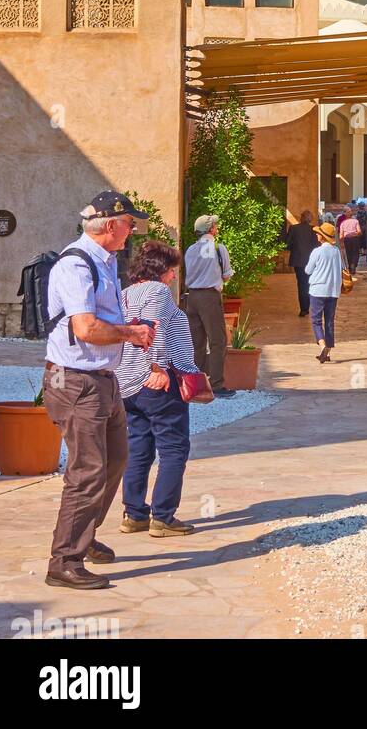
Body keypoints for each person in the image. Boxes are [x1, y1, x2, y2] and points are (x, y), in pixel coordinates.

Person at [42, 191, 157, 591]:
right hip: (74, 381)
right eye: (129, 224)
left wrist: (130, 327)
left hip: (100, 379)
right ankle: (64, 562)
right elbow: (86, 329)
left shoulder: (104, 262)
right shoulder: (76, 265)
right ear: (111, 225)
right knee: (87, 470)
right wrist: (131, 332)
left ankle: (84, 536)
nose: (132, 231)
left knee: (114, 462)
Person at [116, 240, 200, 538]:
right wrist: (158, 367)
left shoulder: (124, 294)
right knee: (174, 448)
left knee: (139, 448)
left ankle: (134, 514)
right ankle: (163, 517)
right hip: (156, 382)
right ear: (161, 269)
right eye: (172, 271)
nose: (174, 277)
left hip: (127, 383)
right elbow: (155, 328)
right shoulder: (158, 291)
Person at [183, 214, 235, 397]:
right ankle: (216, 384)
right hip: (209, 297)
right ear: (211, 229)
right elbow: (227, 275)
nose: (217, 227)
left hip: (192, 297)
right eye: (215, 225)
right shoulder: (218, 249)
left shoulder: (190, 249)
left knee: (196, 342)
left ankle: (196, 383)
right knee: (217, 340)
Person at [304, 220, 344, 363]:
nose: (316, 235)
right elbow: (341, 268)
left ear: (322, 236)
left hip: (318, 289)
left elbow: (308, 270)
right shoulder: (336, 252)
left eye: (318, 233)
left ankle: (322, 345)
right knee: (329, 321)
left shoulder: (317, 251)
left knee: (316, 320)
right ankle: (328, 348)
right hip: (333, 290)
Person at [283, 209, 318, 317]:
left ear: (301, 217)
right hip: (311, 260)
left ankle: (304, 309)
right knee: (310, 283)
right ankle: (311, 306)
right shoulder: (314, 230)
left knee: (302, 285)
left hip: (298, 261)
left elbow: (288, 244)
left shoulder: (294, 229)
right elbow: (316, 245)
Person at [339, 206, 363, 275]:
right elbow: (359, 232)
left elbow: (341, 234)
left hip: (346, 239)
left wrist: (341, 243)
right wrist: (355, 234)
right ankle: (354, 265)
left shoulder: (343, 223)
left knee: (348, 253)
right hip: (355, 239)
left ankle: (350, 266)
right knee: (355, 253)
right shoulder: (355, 221)